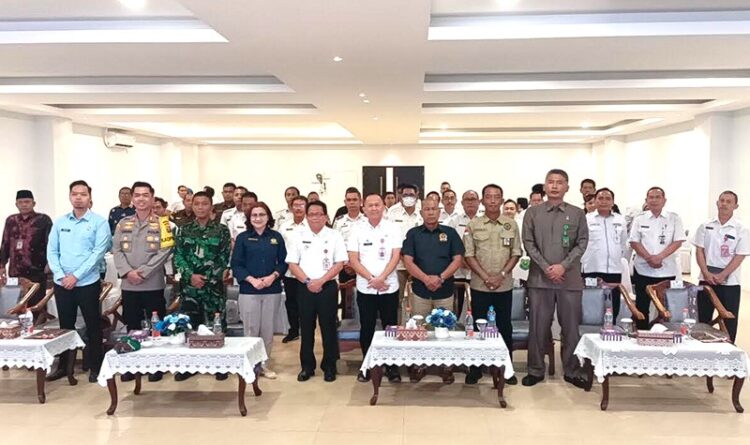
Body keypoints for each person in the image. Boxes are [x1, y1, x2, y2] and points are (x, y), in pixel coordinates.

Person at [522, 169, 588, 389]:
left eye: (560, 182)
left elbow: (582, 243)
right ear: (544, 186)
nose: (555, 186)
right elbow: (528, 243)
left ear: (567, 187)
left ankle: (572, 370)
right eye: (550, 182)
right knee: (538, 327)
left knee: (570, 328)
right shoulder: (532, 213)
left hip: (569, 280)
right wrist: (546, 267)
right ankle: (535, 369)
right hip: (540, 279)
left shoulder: (577, 213)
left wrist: (563, 266)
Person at [47, 180, 111, 383]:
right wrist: (60, 275)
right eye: (74, 194)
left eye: (83, 194)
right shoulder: (60, 222)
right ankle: (64, 367)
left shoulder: (99, 222)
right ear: (69, 197)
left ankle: (95, 367)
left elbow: (98, 253)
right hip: (62, 283)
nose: (78, 198)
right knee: (65, 326)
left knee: (93, 324)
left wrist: (76, 276)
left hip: (87, 282)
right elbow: (52, 251)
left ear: (89, 197)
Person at [112, 181, 173, 383]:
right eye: (137, 195)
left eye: (145, 195)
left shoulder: (163, 224)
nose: (141, 199)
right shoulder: (123, 223)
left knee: (156, 325)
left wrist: (144, 272)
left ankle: (157, 365)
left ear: (152, 198)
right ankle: (132, 365)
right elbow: (117, 250)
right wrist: (128, 272)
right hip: (129, 284)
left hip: (153, 283)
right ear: (132, 198)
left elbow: (165, 251)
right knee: (132, 324)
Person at [464, 184, 521, 385]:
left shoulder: (511, 225)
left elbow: (516, 252)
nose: (493, 200)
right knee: (478, 326)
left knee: (504, 326)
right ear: (482, 201)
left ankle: (506, 369)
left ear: (502, 200)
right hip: (480, 285)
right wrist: (486, 277)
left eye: (497, 196)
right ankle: (476, 368)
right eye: (489, 196)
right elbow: (469, 254)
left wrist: (501, 275)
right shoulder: (473, 225)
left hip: (503, 286)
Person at [286, 201, 347, 382]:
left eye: (319, 214)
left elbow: (339, 263)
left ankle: (329, 366)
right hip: (304, 286)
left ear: (326, 216)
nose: (315, 217)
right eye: (311, 214)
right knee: (306, 327)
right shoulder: (297, 235)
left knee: (328, 327)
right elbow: (292, 264)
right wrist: (308, 281)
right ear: (306, 216)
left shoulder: (334, 235)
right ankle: (307, 367)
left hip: (327, 286)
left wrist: (321, 281)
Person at [173, 191, 231, 381]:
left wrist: (205, 278)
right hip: (189, 287)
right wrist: (190, 276)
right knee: (190, 325)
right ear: (192, 206)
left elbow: (223, 257)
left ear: (211, 206)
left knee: (216, 324)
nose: (200, 207)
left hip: (212, 286)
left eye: (204, 203)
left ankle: (220, 364)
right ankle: (190, 366)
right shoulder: (183, 229)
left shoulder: (221, 230)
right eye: (196, 203)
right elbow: (178, 256)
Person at [347, 193, 402, 383]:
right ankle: (367, 365)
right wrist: (372, 279)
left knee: (390, 326)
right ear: (363, 208)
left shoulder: (393, 227)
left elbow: (396, 256)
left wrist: (382, 278)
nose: (374, 208)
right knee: (367, 327)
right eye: (369, 205)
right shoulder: (356, 229)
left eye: (377, 204)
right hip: (366, 287)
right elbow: (353, 259)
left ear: (384, 206)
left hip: (389, 286)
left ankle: (391, 366)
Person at [231, 201, 288, 379]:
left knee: (267, 331)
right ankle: (250, 366)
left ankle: (264, 365)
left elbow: (284, 262)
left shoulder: (276, 237)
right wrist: (251, 280)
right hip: (249, 290)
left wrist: (273, 277)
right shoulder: (243, 238)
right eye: (254, 215)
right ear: (249, 218)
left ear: (268, 217)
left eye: (261, 214)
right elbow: (236, 264)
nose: (258, 218)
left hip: (272, 289)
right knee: (251, 330)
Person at [693, 191, 749, 343]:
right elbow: (699, 250)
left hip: (730, 282)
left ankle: (728, 348)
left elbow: (740, 255)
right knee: (702, 317)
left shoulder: (741, 229)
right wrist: (705, 272)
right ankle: (701, 347)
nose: (724, 204)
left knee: (729, 319)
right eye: (722, 200)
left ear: (735, 206)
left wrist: (723, 275)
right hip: (706, 279)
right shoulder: (705, 226)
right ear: (717, 203)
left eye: (728, 201)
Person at [628, 187, 686, 330]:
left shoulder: (674, 218)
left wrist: (659, 257)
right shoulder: (639, 219)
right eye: (651, 197)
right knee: (642, 306)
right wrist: (649, 258)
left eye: (657, 197)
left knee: (666, 308)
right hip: (643, 269)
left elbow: (678, 241)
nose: (654, 200)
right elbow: (634, 241)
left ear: (664, 200)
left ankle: (665, 335)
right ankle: (642, 335)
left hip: (666, 270)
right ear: (646, 200)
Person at [0, 190, 53, 306]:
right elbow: (5, 243)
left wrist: (50, 263)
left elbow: (51, 244)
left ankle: (37, 319)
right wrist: (2, 265)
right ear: (16, 204)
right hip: (16, 271)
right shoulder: (11, 220)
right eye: (21, 202)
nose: (24, 205)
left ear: (33, 203)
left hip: (37, 270)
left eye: (27, 202)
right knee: (16, 305)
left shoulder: (43, 220)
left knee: (36, 304)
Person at [581, 188, 628, 317]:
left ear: (612, 202)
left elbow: (623, 243)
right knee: (591, 305)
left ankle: (611, 327)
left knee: (613, 305)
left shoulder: (620, 220)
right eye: (600, 198)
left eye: (608, 199)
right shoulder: (586, 219)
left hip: (614, 269)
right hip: (592, 268)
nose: (604, 201)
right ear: (595, 201)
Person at [387, 184, 423, 309]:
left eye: (411, 195)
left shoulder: (422, 212)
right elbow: (389, 237)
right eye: (405, 195)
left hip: (419, 264)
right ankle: (398, 321)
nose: (408, 197)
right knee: (397, 300)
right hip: (398, 264)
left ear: (417, 195)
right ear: (400, 196)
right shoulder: (392, 213)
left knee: (419, 300)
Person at [445, 190, 480, 318]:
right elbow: (448, 245)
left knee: (478, 306)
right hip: (458, 272)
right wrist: (461, 261)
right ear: (462, 203)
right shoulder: (453, 222)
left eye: (473, 199)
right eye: (467, 200)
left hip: (479, 272)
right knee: (456, 308)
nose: (470, 202)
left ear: (479, 202)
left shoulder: (483, 220)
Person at [279, 196, 308, 343]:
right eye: (295, 205)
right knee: (291, 302)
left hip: (307, 271)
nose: (298, 208)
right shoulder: (284, 226)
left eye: (301, 205)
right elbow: (279, 248)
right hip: (289, 271)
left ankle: (307, 330)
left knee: (306, 303)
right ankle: (294, 330)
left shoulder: (311, 225)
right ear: (291, 208)